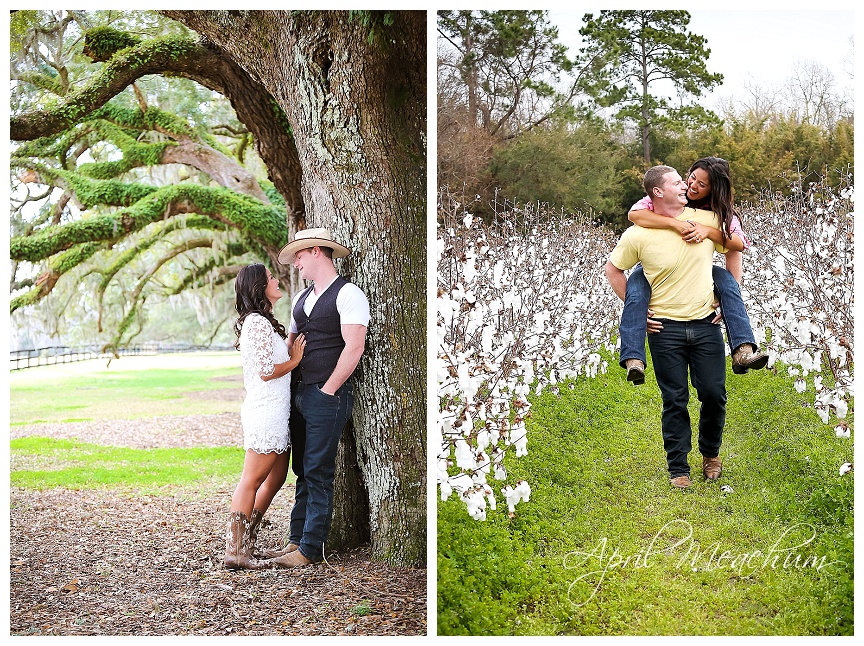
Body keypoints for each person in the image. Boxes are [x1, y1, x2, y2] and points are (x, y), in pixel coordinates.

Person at [605, 165, 727, 489]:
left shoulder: (706, 220)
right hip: (665, 330)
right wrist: (636, 311)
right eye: (676, 182)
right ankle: (678, 469)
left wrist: (725, 301)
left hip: (705, 324)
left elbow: (734, 250)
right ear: (657, 192)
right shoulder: (638, 233)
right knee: (675, 399)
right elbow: (613, 270)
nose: (685, 185)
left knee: (714, 394)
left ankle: (710, 454)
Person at [264, 227, 369, 568]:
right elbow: (291, 343)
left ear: (317, 252)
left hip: (327, 395)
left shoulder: (348, 294)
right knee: (302, 471)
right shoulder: (300, 298)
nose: (295, 262)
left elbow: (354, 347)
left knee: (319, 470)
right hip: (299, 394)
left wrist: (329, 389)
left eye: (299, 254)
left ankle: (310, 549)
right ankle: (295, 540)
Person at [619, 157, 768, 385]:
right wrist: (676, 224)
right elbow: (635, 214)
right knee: (636, 292)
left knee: (728, 284)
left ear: (713, 189)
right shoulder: (672, 194)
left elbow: (737, 246)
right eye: (692, 177)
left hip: (700, 266)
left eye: (701, 184)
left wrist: (708, 231)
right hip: (656, 265)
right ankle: (633, 359)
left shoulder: (717, 211)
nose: (692, 186)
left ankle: (743, 351)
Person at [224, 263, 306, 569]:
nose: (277, 280)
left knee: (276, 478)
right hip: (265, 411)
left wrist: (288, 349)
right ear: (260, 287)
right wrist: (295, 359)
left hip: (277, 410)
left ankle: (247, 541)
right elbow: (266, 371)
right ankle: (236, 551)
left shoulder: (263, 323)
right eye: (271, 278)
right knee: (253, 479)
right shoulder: (256, 323)